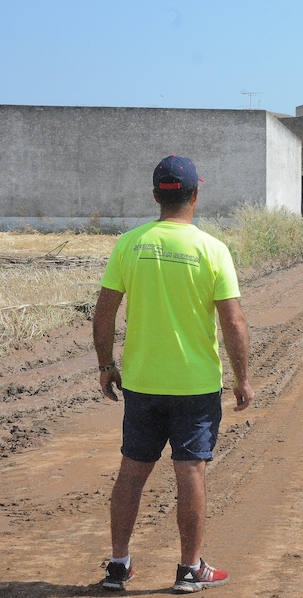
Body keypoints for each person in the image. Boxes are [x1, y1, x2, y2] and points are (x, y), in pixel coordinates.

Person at [93, 155, 254, 592]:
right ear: (195, 196)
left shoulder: (129, 244)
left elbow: (104, 311)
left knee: (132, 470)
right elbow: (233, 322)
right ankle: (188, 570)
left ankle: (119, 565)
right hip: (195, 385)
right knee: (191, 473)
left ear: (154, 195)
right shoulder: (211, 249)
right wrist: (242, 378)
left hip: (142, 383)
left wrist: (106, 365)